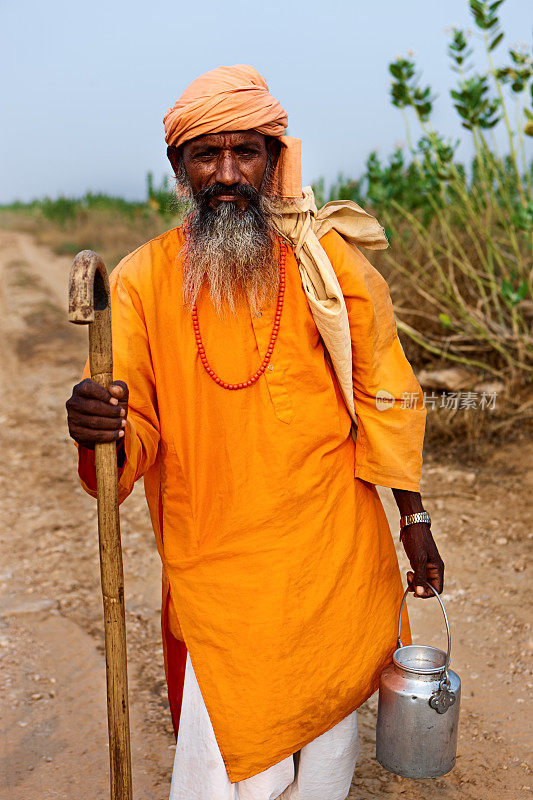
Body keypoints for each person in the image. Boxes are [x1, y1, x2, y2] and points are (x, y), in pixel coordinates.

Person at [66, 65, 444, 800]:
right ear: (179, 167)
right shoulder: (142, 281)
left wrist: (414, 518)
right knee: (226, 761)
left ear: (275, 159)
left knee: (323, 755)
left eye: (247, 152)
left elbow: (387, 392)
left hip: (329, 553)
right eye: (208, 154)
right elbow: (132, 423)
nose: (229, 173)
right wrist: (98, 429)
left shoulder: (324, 261)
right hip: (219, 563)